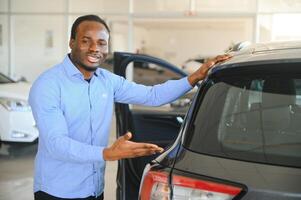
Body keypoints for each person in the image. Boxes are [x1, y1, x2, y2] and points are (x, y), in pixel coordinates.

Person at [29, 14, 231, 200]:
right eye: (85, 41)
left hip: (94, 188)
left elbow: (152, 95)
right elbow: (56, 143)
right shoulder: (48, 85)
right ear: (72, 42)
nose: (94, 48)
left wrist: (195, 77)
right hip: (57, 190)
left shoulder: (106, 81)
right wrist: (107, 153)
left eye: (101, 43)